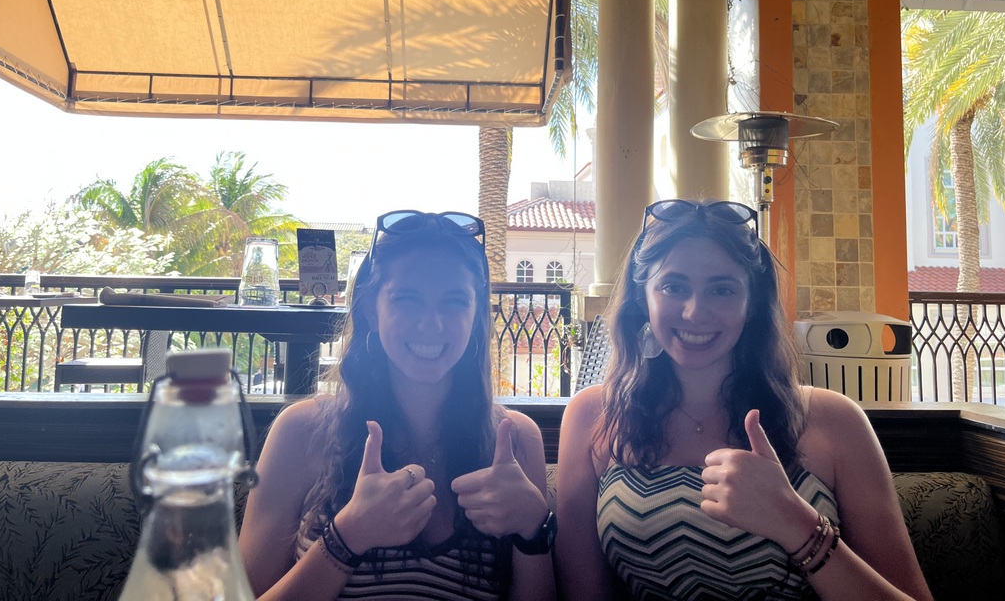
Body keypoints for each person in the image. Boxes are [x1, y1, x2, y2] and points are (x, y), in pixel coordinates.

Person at [555, 199, 932, 601]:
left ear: (752, 304)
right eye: (673, 286)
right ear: (641, 298)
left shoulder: (834, 420)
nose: (695, 312)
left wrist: (795, 523)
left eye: (722, 289)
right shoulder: (593, 415)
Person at [239, 210, 556, 601]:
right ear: (371, 310)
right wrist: (348, 537)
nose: (432, 324)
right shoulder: (302, 431)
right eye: (407, 299)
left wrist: (533, 529)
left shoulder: (516, 439)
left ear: (476, 317)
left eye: (455, 302)